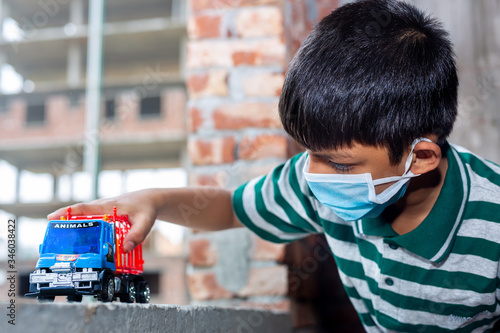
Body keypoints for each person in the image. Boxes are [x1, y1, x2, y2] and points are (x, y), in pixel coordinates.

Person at [49, 0, 500, 331]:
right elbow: (230, 209)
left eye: (339, 164)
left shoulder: (493, 224)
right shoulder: (317, 182)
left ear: (419, 157)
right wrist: (154, 199)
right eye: (309, 153)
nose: (313, 176)